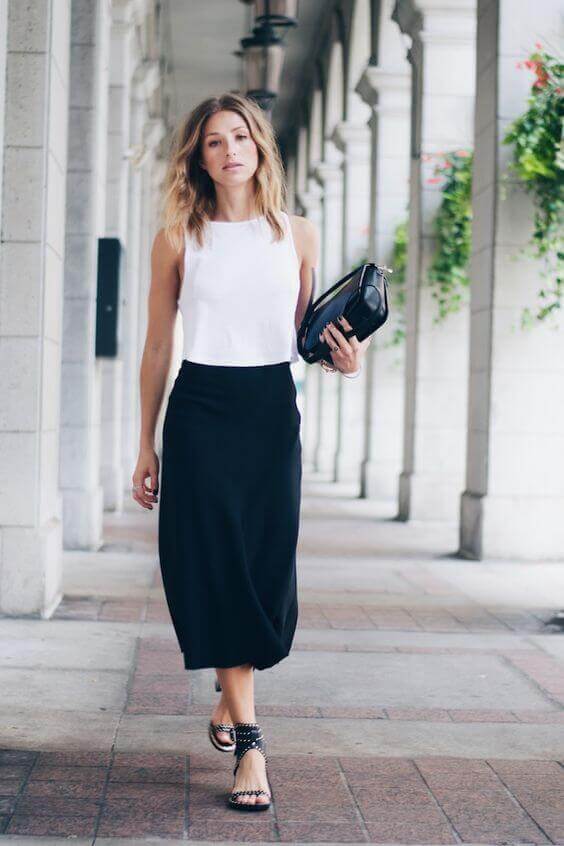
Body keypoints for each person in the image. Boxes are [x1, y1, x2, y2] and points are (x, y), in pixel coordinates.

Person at [131, 92, 369, 812]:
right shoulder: (178, 237)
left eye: (240, 136)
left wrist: (342, 358)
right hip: (201, 410)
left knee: (264, 573)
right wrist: (144, 443)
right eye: (213, 141)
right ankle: (252, 746)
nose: (229, 149)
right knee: (213, 564)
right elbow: (158, 345)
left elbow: (302, 336)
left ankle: (227, 696)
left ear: (260, 146)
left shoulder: (297, 233)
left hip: (270, 412)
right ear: (198, 158)